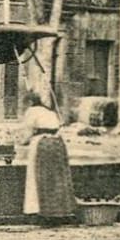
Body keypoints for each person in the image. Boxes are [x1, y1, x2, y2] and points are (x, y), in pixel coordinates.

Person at [14, 89, 74, 222]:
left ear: (29, 102)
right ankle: (59, 211)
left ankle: (35, 210)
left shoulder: (32, 111)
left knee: (36, 177)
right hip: (57, 143)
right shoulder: (50, 111)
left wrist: (20, 143)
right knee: (57, 177)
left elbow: (28, 133)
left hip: (42, 144)